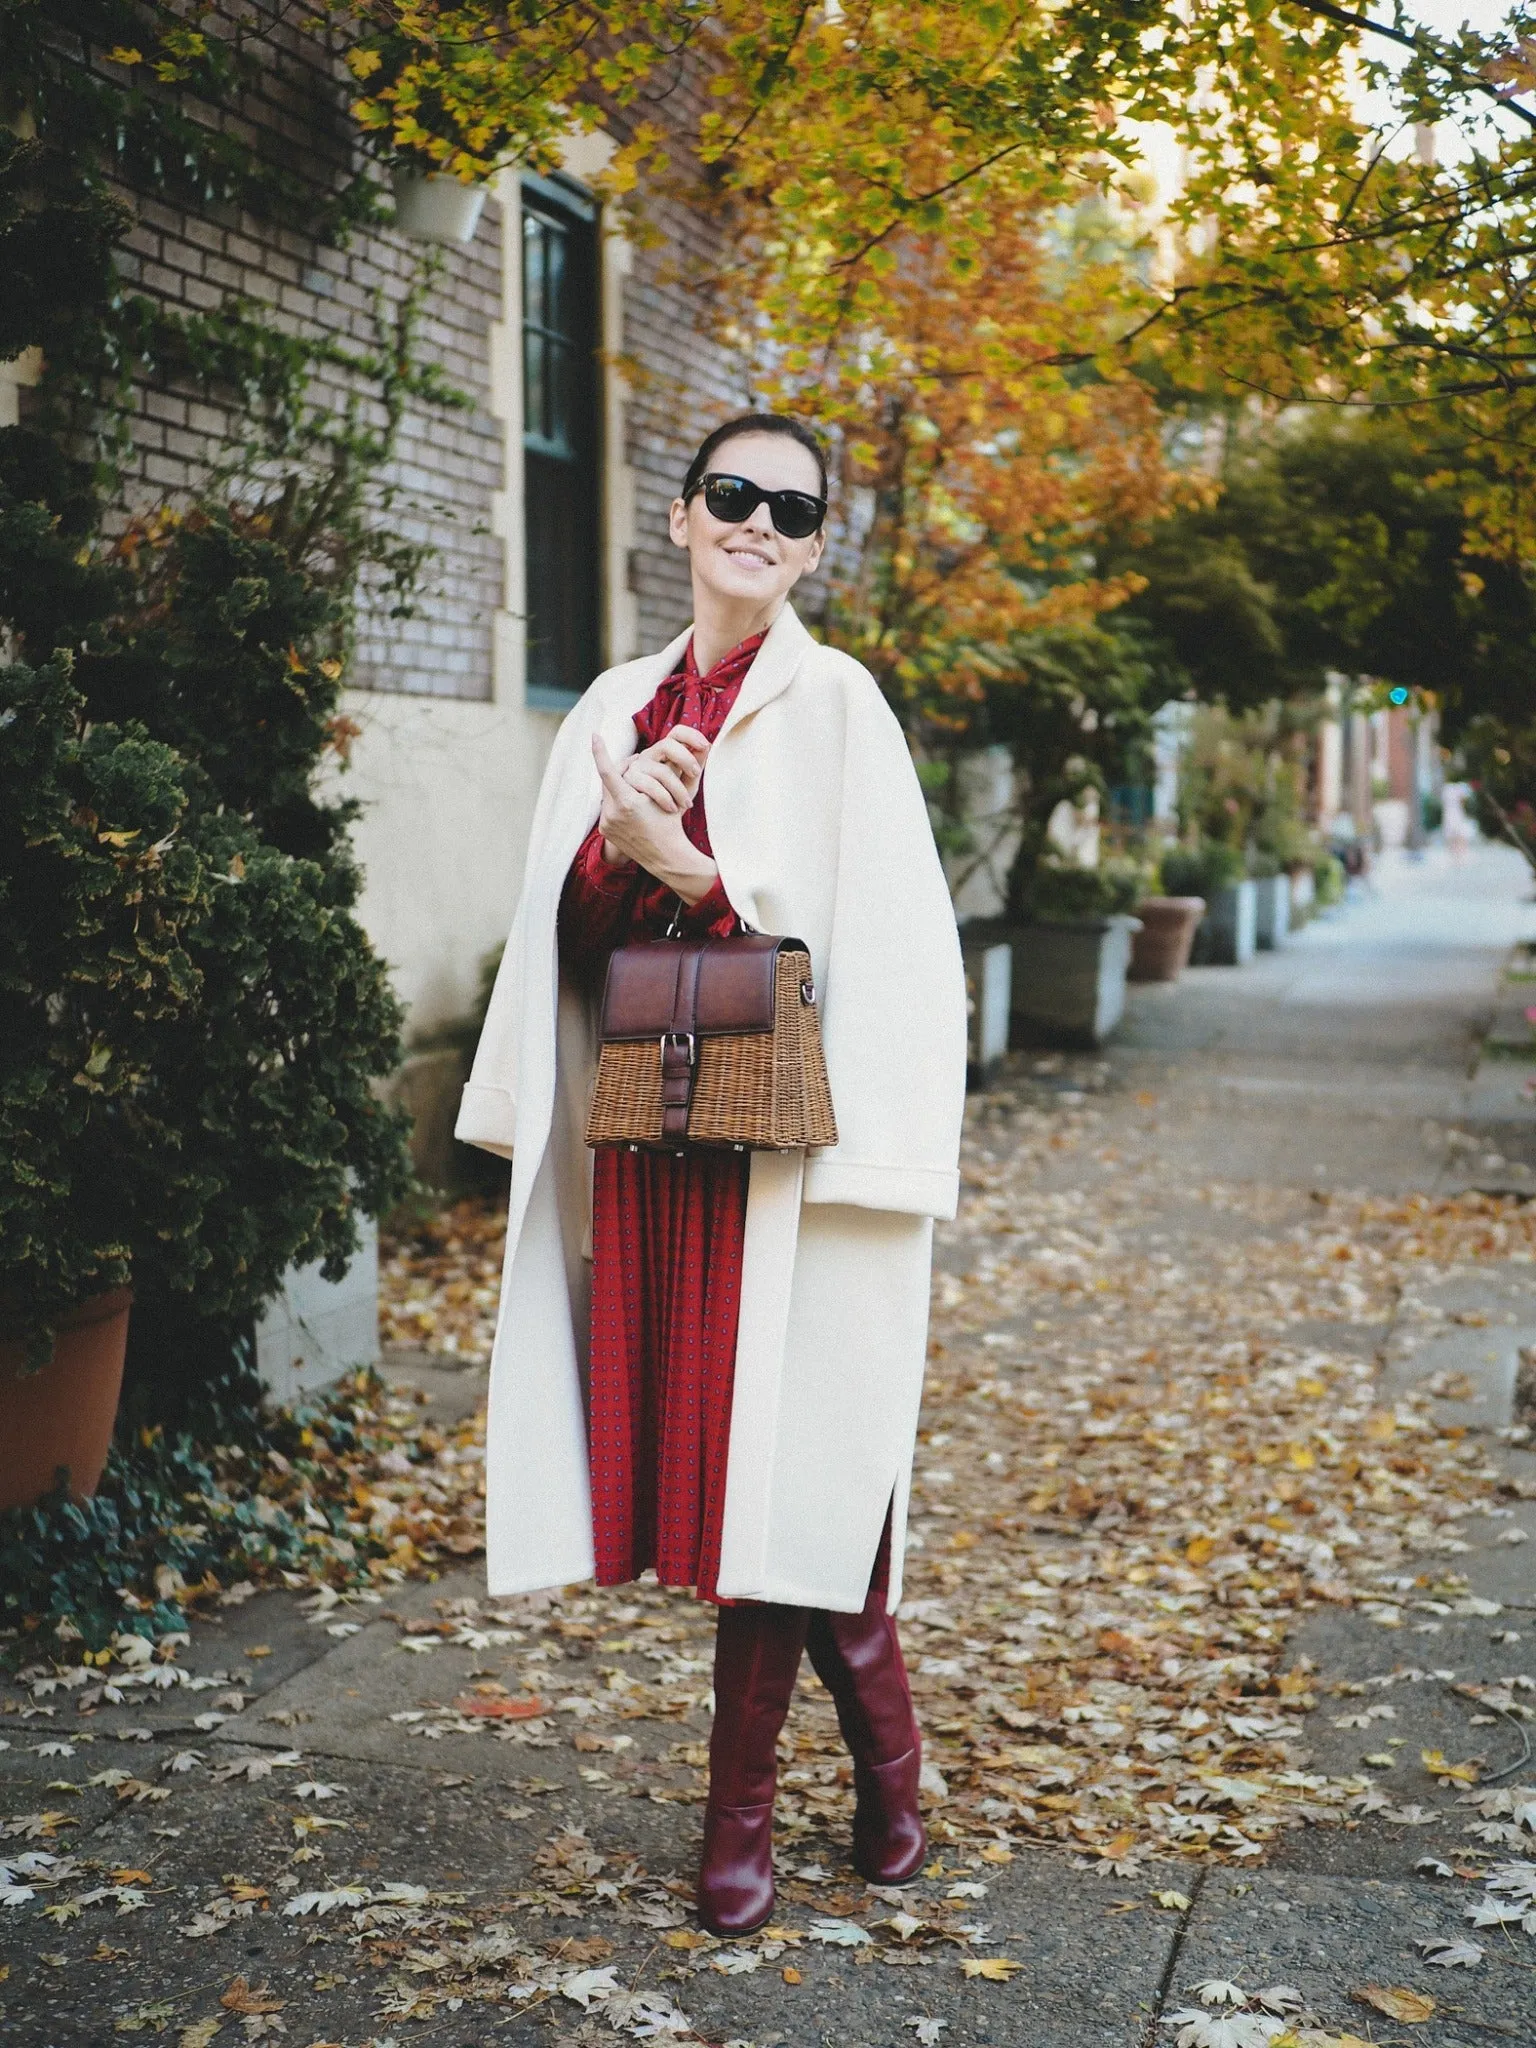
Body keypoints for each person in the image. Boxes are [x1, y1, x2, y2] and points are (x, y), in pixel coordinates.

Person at [456, 412, 967, 1937]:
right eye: (731, 495)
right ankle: (894, 1771)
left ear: (813, 550)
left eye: (789, 510)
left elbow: (899, 950)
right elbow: (560, 948)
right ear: (681, 519)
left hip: (793, 1148)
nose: (756, 522)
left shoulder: (841, 707)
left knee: (795, 1474)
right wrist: (618, 851)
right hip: (657, 1141)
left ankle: (740, 1824)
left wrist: (703, 873)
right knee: (757, 1482)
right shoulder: (609, 708)